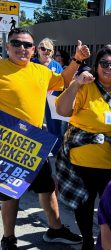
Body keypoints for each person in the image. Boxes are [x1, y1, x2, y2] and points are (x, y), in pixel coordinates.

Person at [0, 27, 89, 249]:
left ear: (33, 49)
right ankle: (8, 238)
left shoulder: (40, 71)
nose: (22, 48)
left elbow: (62, 80)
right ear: (7, 46)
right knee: (10, 192)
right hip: (8, 143)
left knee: (47, 188)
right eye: (17, 43)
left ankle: (55, 229)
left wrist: (77, 60)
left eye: (27, 45)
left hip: (34, 143)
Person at [55, 45, 111, 250]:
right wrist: (76, 83)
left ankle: (106, 242)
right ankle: (87, 242)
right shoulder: (85, 86)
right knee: (84, 205)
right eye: (104, 64)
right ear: (97, 66)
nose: (109, 68)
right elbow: (63, 110)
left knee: (110, 209)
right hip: (81, 163)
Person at [32, 38, 64, 156]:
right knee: (35, 126)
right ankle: (36, 152)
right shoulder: (32, 63)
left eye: (49, 50)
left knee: (54, 127)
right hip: (35, 101)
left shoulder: (56, 65)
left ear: (52, 52)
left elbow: (62, 83)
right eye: (43, 49)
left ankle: (56, 153)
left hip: (52, 102)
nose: (46, 52)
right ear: (38, 50)